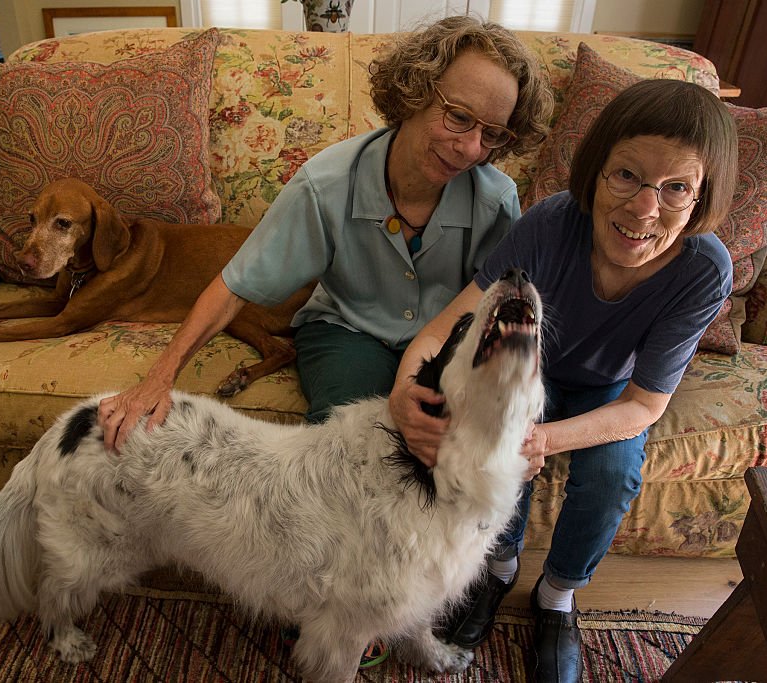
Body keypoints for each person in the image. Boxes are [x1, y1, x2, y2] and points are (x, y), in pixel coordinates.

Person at [98, 15, 552, 670]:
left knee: (481, 440)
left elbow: (502, 316)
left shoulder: (497, 199)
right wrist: (158, 375)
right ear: (416, 91)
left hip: (447, 341)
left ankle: (447, 584)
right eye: (457, 116)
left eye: (491, 134)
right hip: (348, 328)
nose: (468, 146)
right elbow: (233, 286)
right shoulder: (327, 183)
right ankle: (328, 593)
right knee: (347, 438)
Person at [389, 78, 738, 682]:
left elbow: (645, 406)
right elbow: (452, 319)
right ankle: (496, 572)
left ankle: (557, 597)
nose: (644, 209)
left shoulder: (704, 271)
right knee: (495, 437)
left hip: (611, 392)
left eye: (676, 188)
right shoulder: (551, 224)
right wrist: (403, 387)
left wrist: (542, 440)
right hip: (526, 370)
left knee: (611, 475)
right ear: (596, 170)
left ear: (702, 197)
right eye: (626, 176)